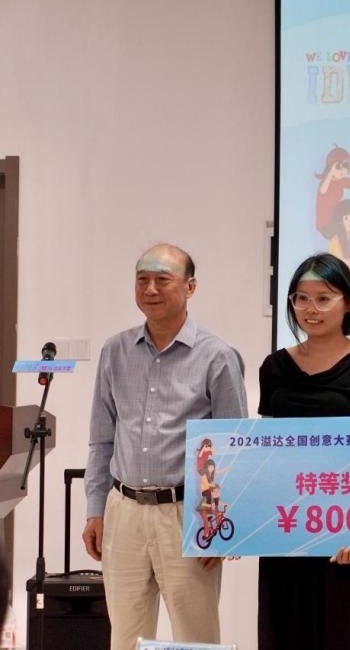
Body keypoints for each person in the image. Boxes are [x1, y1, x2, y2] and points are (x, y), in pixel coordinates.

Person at [82, 243, 248, 650]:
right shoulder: (115, 351)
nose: (151, 289)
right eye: (142, 280)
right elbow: (102, 438)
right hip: (123, 512)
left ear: (190, 287)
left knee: (195, 636)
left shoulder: (217, 356)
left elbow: (233, 446)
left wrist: (219, 524)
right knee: (125, 637)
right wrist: (95, 509)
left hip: (188, 513)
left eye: (163, 279)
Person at [258, 252, 350, 650]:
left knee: (340, 635)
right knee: (280, 635)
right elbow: (264, 454)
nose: (310, 309)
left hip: (346, 536)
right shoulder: (274, 367)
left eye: (323, 298)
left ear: (348, 302)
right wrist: (244, 522)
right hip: (284, 530)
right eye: (301, 298)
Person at [315, 145, 350, 239]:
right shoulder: (326, 181)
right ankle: (348, 249)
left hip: (337, 221)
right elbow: (323, 191)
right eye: (338, 167)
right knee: (344, 228)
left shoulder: (342, 181)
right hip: (325, 225)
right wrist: (331, 172)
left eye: (345, 167)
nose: (342, 171)